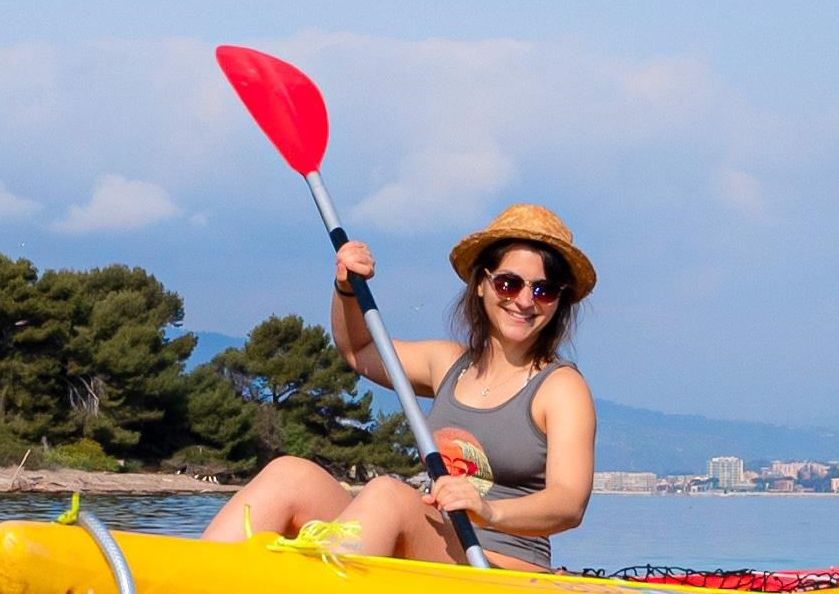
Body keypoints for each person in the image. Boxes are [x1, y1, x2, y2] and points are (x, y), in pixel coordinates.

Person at [198, 204, 597, 571]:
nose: (525, 301)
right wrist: (347, 291)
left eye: (543, 290)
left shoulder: (560, 387)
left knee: (389, 495)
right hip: (436, 546)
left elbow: (568, 502)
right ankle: (198, 582)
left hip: (500, 568)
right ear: (482, 284)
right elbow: (359, 349)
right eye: (509, 284)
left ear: (559, 302)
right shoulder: (447, 364)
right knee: (289, 474)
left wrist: (489, 513)